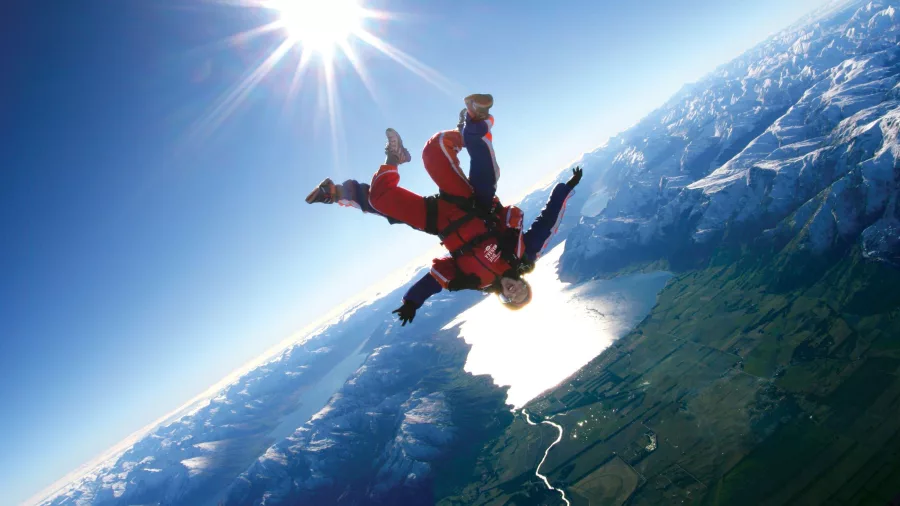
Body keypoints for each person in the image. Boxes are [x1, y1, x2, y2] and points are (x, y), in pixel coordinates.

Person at [306, 94, 583, 325]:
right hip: (474, 205)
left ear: (504, 298)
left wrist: (412, 302)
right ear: (525, 284)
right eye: (523, 291)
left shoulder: (474, 281)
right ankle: (474, 124)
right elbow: (547, 222)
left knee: (381, 200)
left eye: (513, 298)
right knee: (434, 150)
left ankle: (377, 168)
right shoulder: (523, 255)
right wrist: (566, 188)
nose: (516, 291)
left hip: (441, 222)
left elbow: (436, 279)